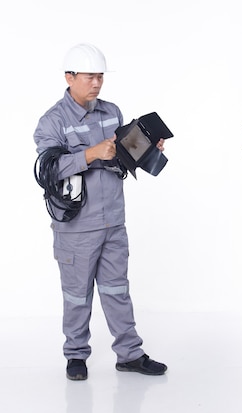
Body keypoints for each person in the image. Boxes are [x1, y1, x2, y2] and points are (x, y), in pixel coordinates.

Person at [33, 43, 167, 381]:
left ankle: (130, 354)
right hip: (76, 226)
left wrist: (147, 149)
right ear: (70, 77)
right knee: (77, 296)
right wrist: (90, 153)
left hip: (113, 221)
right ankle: (76, 356)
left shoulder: (112, 112)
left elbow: (121, 158)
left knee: (117, 290)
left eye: (100, 77)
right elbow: (49, 169)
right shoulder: (52, 121)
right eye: (90, 77)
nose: (97, 83)